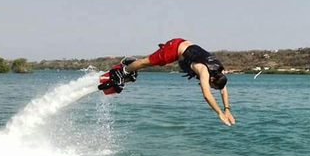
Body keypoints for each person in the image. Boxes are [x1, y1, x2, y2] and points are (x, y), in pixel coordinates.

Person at [100, 38, 235, 126]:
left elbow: (224, 90)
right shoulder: (204, 70)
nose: (210, 87)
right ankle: (122, 70)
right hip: (175, 48)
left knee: (152, 63)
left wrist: (227, 109)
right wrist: (219, 113)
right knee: (147, 63)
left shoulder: (219, 72)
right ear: (212, 79)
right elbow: (207, 95)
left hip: (183, 47)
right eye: (212, 86)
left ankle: (130, 66)